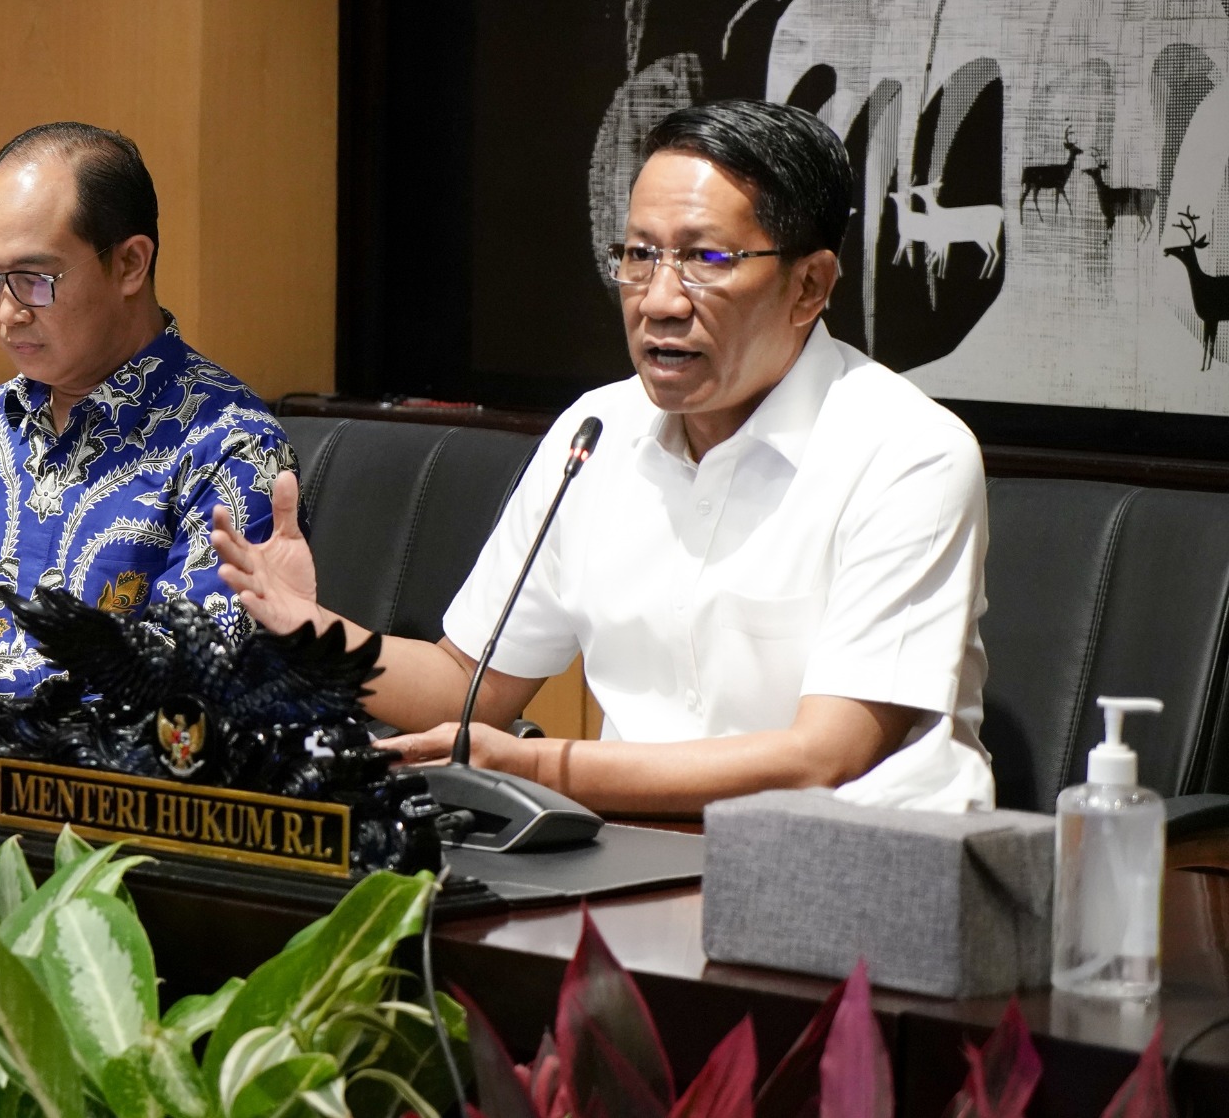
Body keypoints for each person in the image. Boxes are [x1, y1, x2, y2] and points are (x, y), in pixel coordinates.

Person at [215, 99, 994, 814]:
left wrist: (539, 768)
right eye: (640, 255)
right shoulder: (597, 432)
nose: (659, 299)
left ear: (809, 285)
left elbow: (825, 757)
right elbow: (468, 687)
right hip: (629, 856)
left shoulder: (907, 453)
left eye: (706, 260)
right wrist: (311, 631)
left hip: (854, 880)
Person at [0, 122, 293, 735]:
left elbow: (197, 662)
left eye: (34, 279)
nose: (6, 312)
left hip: (134, 797)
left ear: (130, 263)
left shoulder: (231, 444)